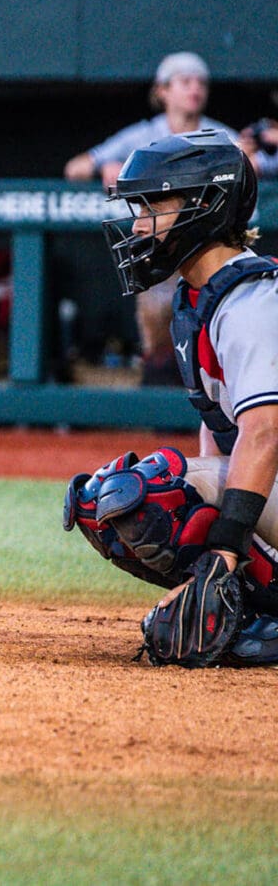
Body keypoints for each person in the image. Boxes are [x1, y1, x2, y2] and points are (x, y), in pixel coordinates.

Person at [64, 128, 278, 666]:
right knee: (98, 503)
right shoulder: (200, 297)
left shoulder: (253, 301)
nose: (139, 224)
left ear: (206, 207)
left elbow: (265, 432)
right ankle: (254, 611)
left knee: (145, 491)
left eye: (154, 206)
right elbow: (223, 432)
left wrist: (225, 548)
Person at [65, 51, 234, 385]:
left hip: (206, 248)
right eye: (185, 82)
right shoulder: (143, 136)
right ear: (163, 90)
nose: (195, 89)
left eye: (200, 83)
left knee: (214, 328)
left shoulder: (218, 135)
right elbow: (76, 168)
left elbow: (259, 161)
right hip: (160, 248)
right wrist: (108, 167)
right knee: (160, 336)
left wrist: (254, 155)